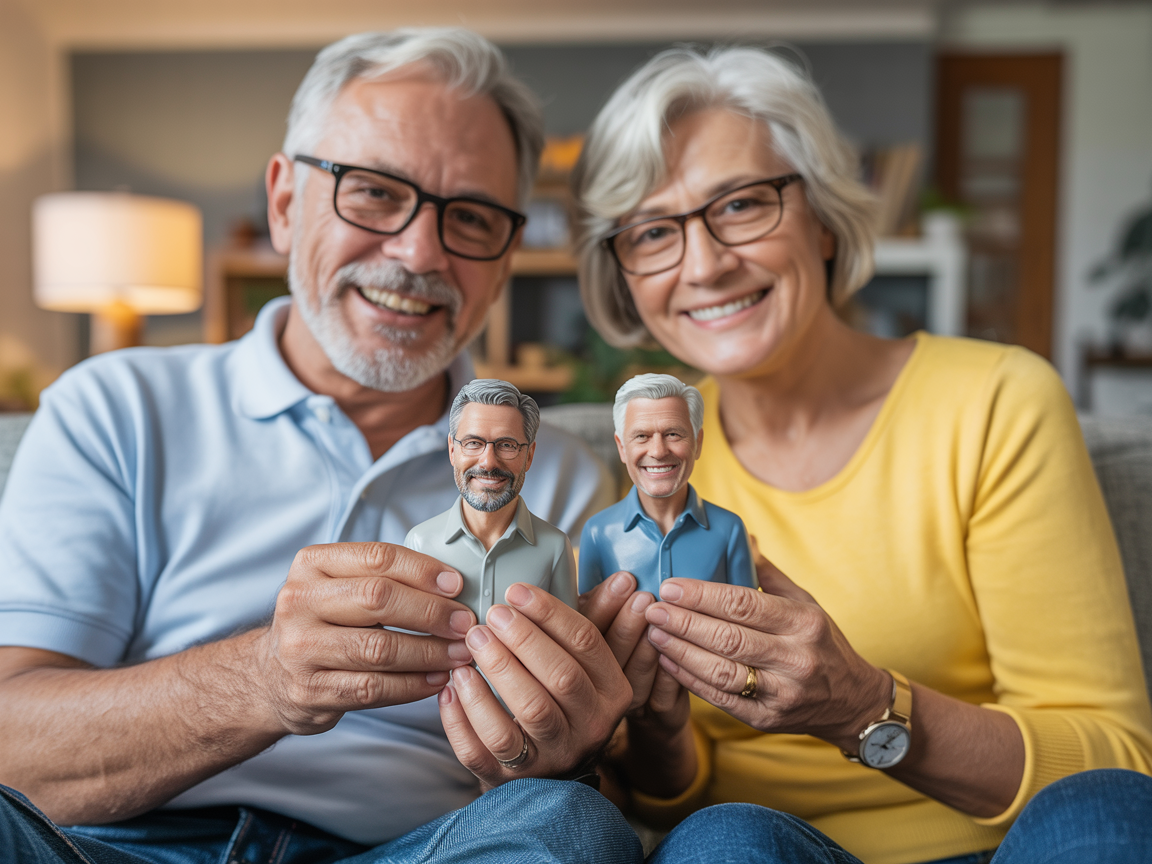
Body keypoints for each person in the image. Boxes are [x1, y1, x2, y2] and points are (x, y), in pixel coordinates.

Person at [0, 28, 637, 864]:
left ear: (508, 254)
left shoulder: (560, 477)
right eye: (373, 192)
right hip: (112, 846)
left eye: (471, 217)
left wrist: (566, 758)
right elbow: (11, 742)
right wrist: (265, 677)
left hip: (420, 849)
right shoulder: (114, 408)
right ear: (284, 200)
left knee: (572, 825)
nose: (418, 252)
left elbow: (608, 785)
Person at [572, 46, 1152, 863]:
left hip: (1010, 846)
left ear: (822, 215)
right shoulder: (639, 465)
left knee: (1110, 816)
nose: (703, 265)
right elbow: (669, 797)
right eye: (653, 232)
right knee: (719, 841)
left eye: (740, 205)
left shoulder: (996, 403)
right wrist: (656, 729)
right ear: (625, 275)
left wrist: (863, 707)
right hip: (764, 847)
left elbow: (1113, 761)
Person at [404, 379, 577, 624]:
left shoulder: (555, 547)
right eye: (473, 443)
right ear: (453, 451)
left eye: (507, 445)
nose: (488, 463)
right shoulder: (420, 542)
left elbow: (569, 636)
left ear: (529, 456)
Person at [578, 373, 756, 597]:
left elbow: (749, 615)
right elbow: (586, 619)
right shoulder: (598, 532)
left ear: (697, 443)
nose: (658, 452)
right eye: (642, 436)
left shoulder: (729, 529)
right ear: (622, 447)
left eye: (673, 434)